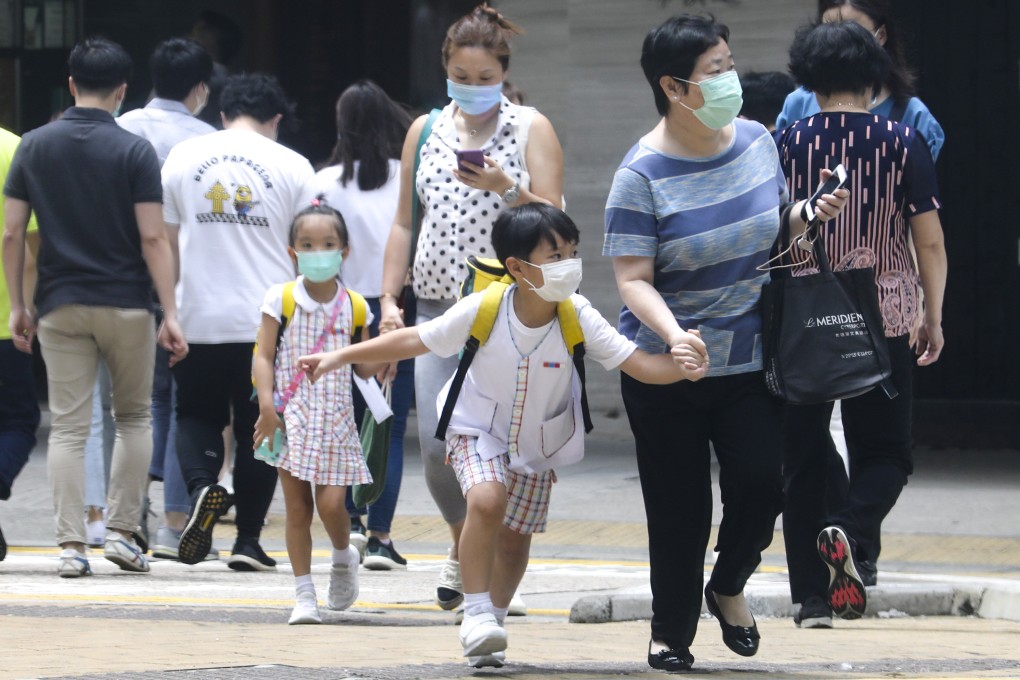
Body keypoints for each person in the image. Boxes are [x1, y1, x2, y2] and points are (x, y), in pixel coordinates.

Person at [302, 203, 705, 666]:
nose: (569, 264)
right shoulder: (485, 309)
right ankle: (474, 614)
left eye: (572, 252)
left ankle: (490, 624)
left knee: (516, 539)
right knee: (488, 501)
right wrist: (339, 357)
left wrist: (684, 367)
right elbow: (414, 339)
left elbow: (640, 365)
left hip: (539, 442)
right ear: (517, 266)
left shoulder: (578, 315)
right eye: (554, 256)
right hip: (476, 427)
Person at [603, 15, 848, 672]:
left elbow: (776, 230)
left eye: (729, 64)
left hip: (749, 360)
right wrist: (674, 334)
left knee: (762, 483)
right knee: (680, 507)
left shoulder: (758, 142)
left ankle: (729, 584)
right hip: (667, 366)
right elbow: (631, 278)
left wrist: (808, 214)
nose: (730, 80)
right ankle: (671, 633)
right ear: (674, 87)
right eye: (716, 71)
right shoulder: (641, 173)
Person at [378, 1, 564, 612]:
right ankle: (464, 542)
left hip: (507, 311)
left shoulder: (530, 126)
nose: (474, 87)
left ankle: (477, 565)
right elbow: (405, 222)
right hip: (435, 304)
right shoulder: (425, 131)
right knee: (436, 443)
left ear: (503, 73)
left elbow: (553, 220)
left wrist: (505, 187)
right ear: (446, 70)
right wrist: (388, 297)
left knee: (498, 445)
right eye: (462, 76)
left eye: (486, 78)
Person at [777, 19, 946, 629]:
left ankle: (811, 602)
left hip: (804, 317)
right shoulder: (903, 142)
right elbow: (928, 242)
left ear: (808, 79)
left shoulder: (786, 142)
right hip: (885, 313)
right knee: (887, 453)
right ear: (875, 75)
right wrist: (934, 314)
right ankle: (847, 528)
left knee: (800, 459)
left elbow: (770, 228)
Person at [2, 37, 187, 578]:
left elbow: (13, 233)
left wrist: (20, 304)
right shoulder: (134, 151)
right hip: (128, 304)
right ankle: (125, 535)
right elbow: (154, 238)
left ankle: (69, 546)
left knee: (67, 427)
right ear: (123, 91)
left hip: (60, 305)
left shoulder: (33, 146)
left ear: (70, 83)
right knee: (132, 417)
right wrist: (170, 311)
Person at [162, 73, 317, 570]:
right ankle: (247, 542)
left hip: (198, 314)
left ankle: (205, 486)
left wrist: (167, 311)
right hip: (267, 321)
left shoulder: (184, 157)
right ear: (275, 119)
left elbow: (164, 242)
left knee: (195, 414)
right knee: (261, 427)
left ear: (223, 115)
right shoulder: (294, 165)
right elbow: (310, 248)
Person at [253, 200, 378, 624]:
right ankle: (304, 595)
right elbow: (263, 355)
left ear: (344, 251)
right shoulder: (281, 298)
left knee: (331, 506)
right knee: (297, 510)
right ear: (293, 252)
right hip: (290, 419)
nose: (318, 251)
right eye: (307, 244)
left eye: (328, 243)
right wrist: (267, 406)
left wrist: (387, 341)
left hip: (337, 421)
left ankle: (343, 557)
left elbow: (367, 368)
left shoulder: (356, 306)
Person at [118, 36, 216, 561]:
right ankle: (176, 524)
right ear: (201, 88)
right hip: (184, 287)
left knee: (132, 407)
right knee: (184, 403)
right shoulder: (207, 140)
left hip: (125, 283)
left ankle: (128, 517)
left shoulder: (123, 127)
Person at [311, 80, 414, 570]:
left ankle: (348, 521)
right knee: (388, 426)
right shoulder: (405, 178)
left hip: (341, 310)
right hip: (396, 307)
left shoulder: (323, 183)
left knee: (345, 420)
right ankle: (380, 536)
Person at [775, 0, 944, 161]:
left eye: (854, 31)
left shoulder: (913, 114)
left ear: (881, 35)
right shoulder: (798, 103)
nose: (840, 43)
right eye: (830, 29)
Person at [0, 126, 40, 562]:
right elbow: (26, 244)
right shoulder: (12, 148)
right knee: (18, 420)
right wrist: (25, 306)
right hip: (3, 319)